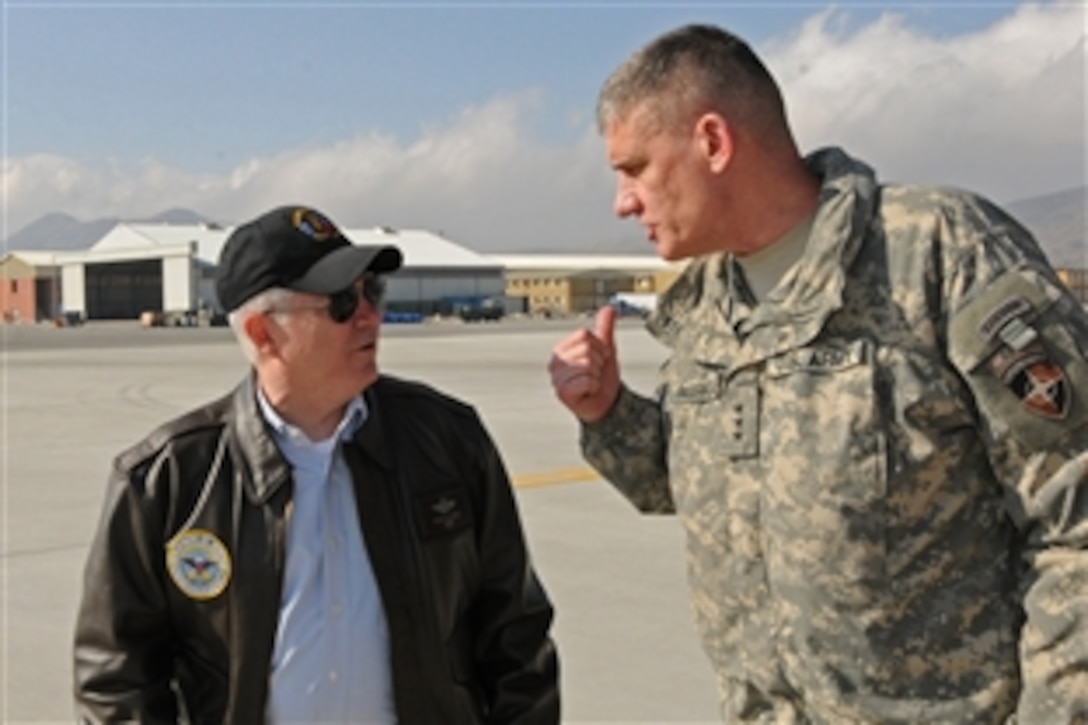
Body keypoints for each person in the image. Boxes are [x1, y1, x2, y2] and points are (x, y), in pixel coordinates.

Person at [548, 23, 1088, 723]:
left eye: (635, 168)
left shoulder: (933, 253)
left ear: (712, 142)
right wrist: (609, 411)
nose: (623, 202)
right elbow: (701, 487)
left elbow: (1073, 512)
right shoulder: (709, 305)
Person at [75, 205, 560, 723]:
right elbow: (117, 681)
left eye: (372, 292)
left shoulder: (449, 442)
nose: (370, 316)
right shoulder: (166, 481)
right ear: (263, 334)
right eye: (340, 302)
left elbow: (517, 637)